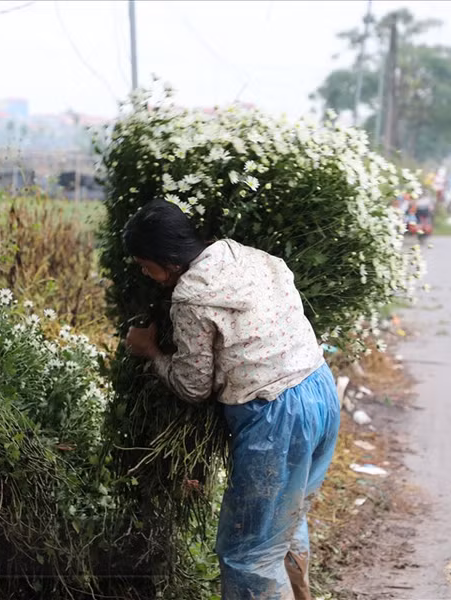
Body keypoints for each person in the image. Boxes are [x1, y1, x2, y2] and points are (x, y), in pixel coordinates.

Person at [123, 200, 340, 600]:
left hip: (276, 417)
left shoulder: (190, 297)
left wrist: (151, 351)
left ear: (167, 262)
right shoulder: (246, 255)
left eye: (143, 264)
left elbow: (193, 387)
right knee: (286, 521)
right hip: (319, 389)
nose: (143, 273)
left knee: (248, 554)